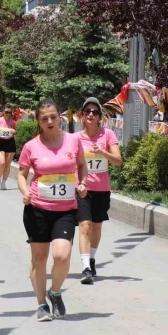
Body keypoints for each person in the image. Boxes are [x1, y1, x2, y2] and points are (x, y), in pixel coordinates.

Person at [17, 99, 88, 321]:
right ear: (38, 121)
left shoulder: (73, 142)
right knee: (39, 258)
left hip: (65, 209)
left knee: (62, 255)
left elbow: (82, 165)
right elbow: (21, 174)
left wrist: (83, 183)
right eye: (44, 118)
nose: (49, 121)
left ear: (60, 118)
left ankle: (55, 292)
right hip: (37, 208)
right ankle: (41, 305)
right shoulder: (31, 146)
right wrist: (25, 191)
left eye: (53, 117)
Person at [75, 98, 122, 284]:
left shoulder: (108, 135)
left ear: (99, 117)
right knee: (85, 226)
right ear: (82, 115)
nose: (91, 115)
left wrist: (103, 153)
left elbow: (118, 161)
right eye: (87, 111)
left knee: (96, 227)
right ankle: (86, 266)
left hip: (102, 189)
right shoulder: (75, 138)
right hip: (83, 190)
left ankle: (92, 258)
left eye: (95, 112)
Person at [0, 105, 17, 190]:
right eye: (6, 112)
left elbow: (15, 133)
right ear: (3, 112)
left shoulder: (13, 122)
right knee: (1, 162)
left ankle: (3, 183)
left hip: (10, 143)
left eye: (10, 112)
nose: (8, 114)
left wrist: (14, 132)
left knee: (7, 164)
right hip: (0, 142)